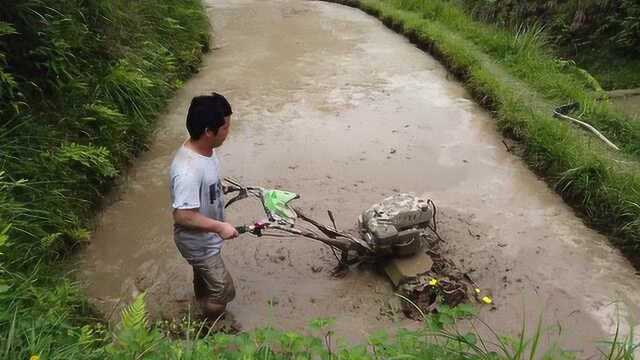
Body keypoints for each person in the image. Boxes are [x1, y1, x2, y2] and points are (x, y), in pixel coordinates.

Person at [169, 93, 238, 320]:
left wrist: (219, 188)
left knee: (204, 277)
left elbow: (207, 180)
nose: (228, 132)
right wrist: (220, 227)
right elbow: (183, 216)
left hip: (205, 238)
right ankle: (207, 324)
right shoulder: (187, 170)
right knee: (224, 291)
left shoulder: (206, 150)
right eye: (226, 127)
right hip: (198, 242)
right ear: (209, 131)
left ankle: (200, 301)